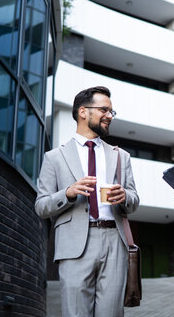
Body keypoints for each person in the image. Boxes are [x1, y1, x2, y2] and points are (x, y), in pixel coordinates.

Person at [35, 86, 139, 317]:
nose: (109, 116)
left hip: (115, 241)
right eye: (104, 109)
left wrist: (125, 197)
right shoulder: (54, 157)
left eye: (112, 111)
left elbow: (134, 199)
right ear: (83, 111)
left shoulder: (120, 156)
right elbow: (41, 206)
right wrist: (68, 193)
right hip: (73, 244)